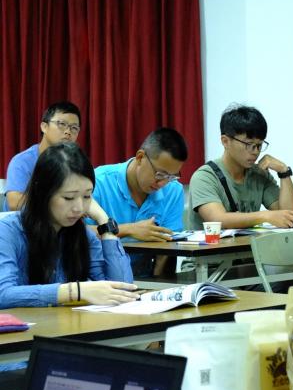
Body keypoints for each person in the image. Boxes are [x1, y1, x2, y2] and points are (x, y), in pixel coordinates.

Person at [0, 142, 137, 308]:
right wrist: (74, 291)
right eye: (69, 198)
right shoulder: (8, 231)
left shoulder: (82, 235)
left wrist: (104, 223)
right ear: (42, 193)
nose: (79, 208)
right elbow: (3, 294)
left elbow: (122, 290)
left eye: (87, 196)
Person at [188, 104, 293, 230]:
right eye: (249, 144)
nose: (255, 152)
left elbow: (290, 217)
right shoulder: (205, 177)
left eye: (259, 145)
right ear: (225, 141)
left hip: (249, 249)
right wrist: (265, 216)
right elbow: (218, 219)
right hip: (215, 248)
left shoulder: (259, 173)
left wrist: (284, 172)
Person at [90, 128, 188, 276]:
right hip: (100, 279)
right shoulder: (98, 182)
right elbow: (77, 234)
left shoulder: (173, 191)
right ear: (140, 157)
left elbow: (168, 250)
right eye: (159, 174)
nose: (162, 183)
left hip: (147, 281)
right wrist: (129, 229)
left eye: (171, 177)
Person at [4, 101, 82, 211]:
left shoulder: (74, 163)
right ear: (44, 126)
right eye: (62, 124)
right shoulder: (22, 161)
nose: (68, 131)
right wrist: (59, 203)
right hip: (21, 225)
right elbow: (15, 203)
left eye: (74, 128)